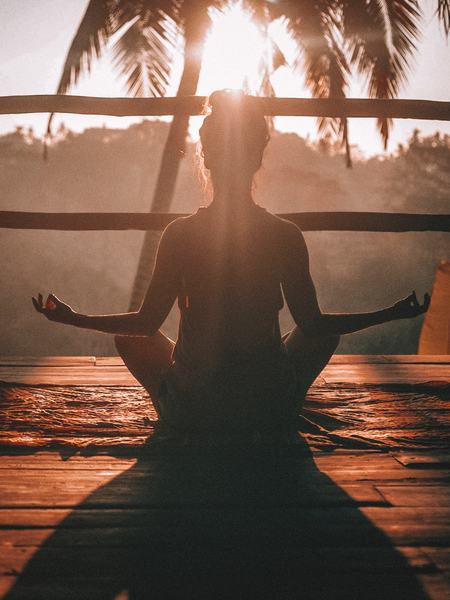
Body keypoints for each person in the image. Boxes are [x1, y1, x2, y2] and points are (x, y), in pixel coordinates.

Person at [32, 89, 430, 441]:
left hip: (195, 412)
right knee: (321, 334)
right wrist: (391, 313)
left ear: (206, 158)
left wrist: (74, 317)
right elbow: (315, 325)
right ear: (257, 157)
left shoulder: (181, 233)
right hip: (267, 409)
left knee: (130, 338)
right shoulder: (284, 234)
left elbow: (145, 323)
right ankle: (284, 401)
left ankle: (174, 407)